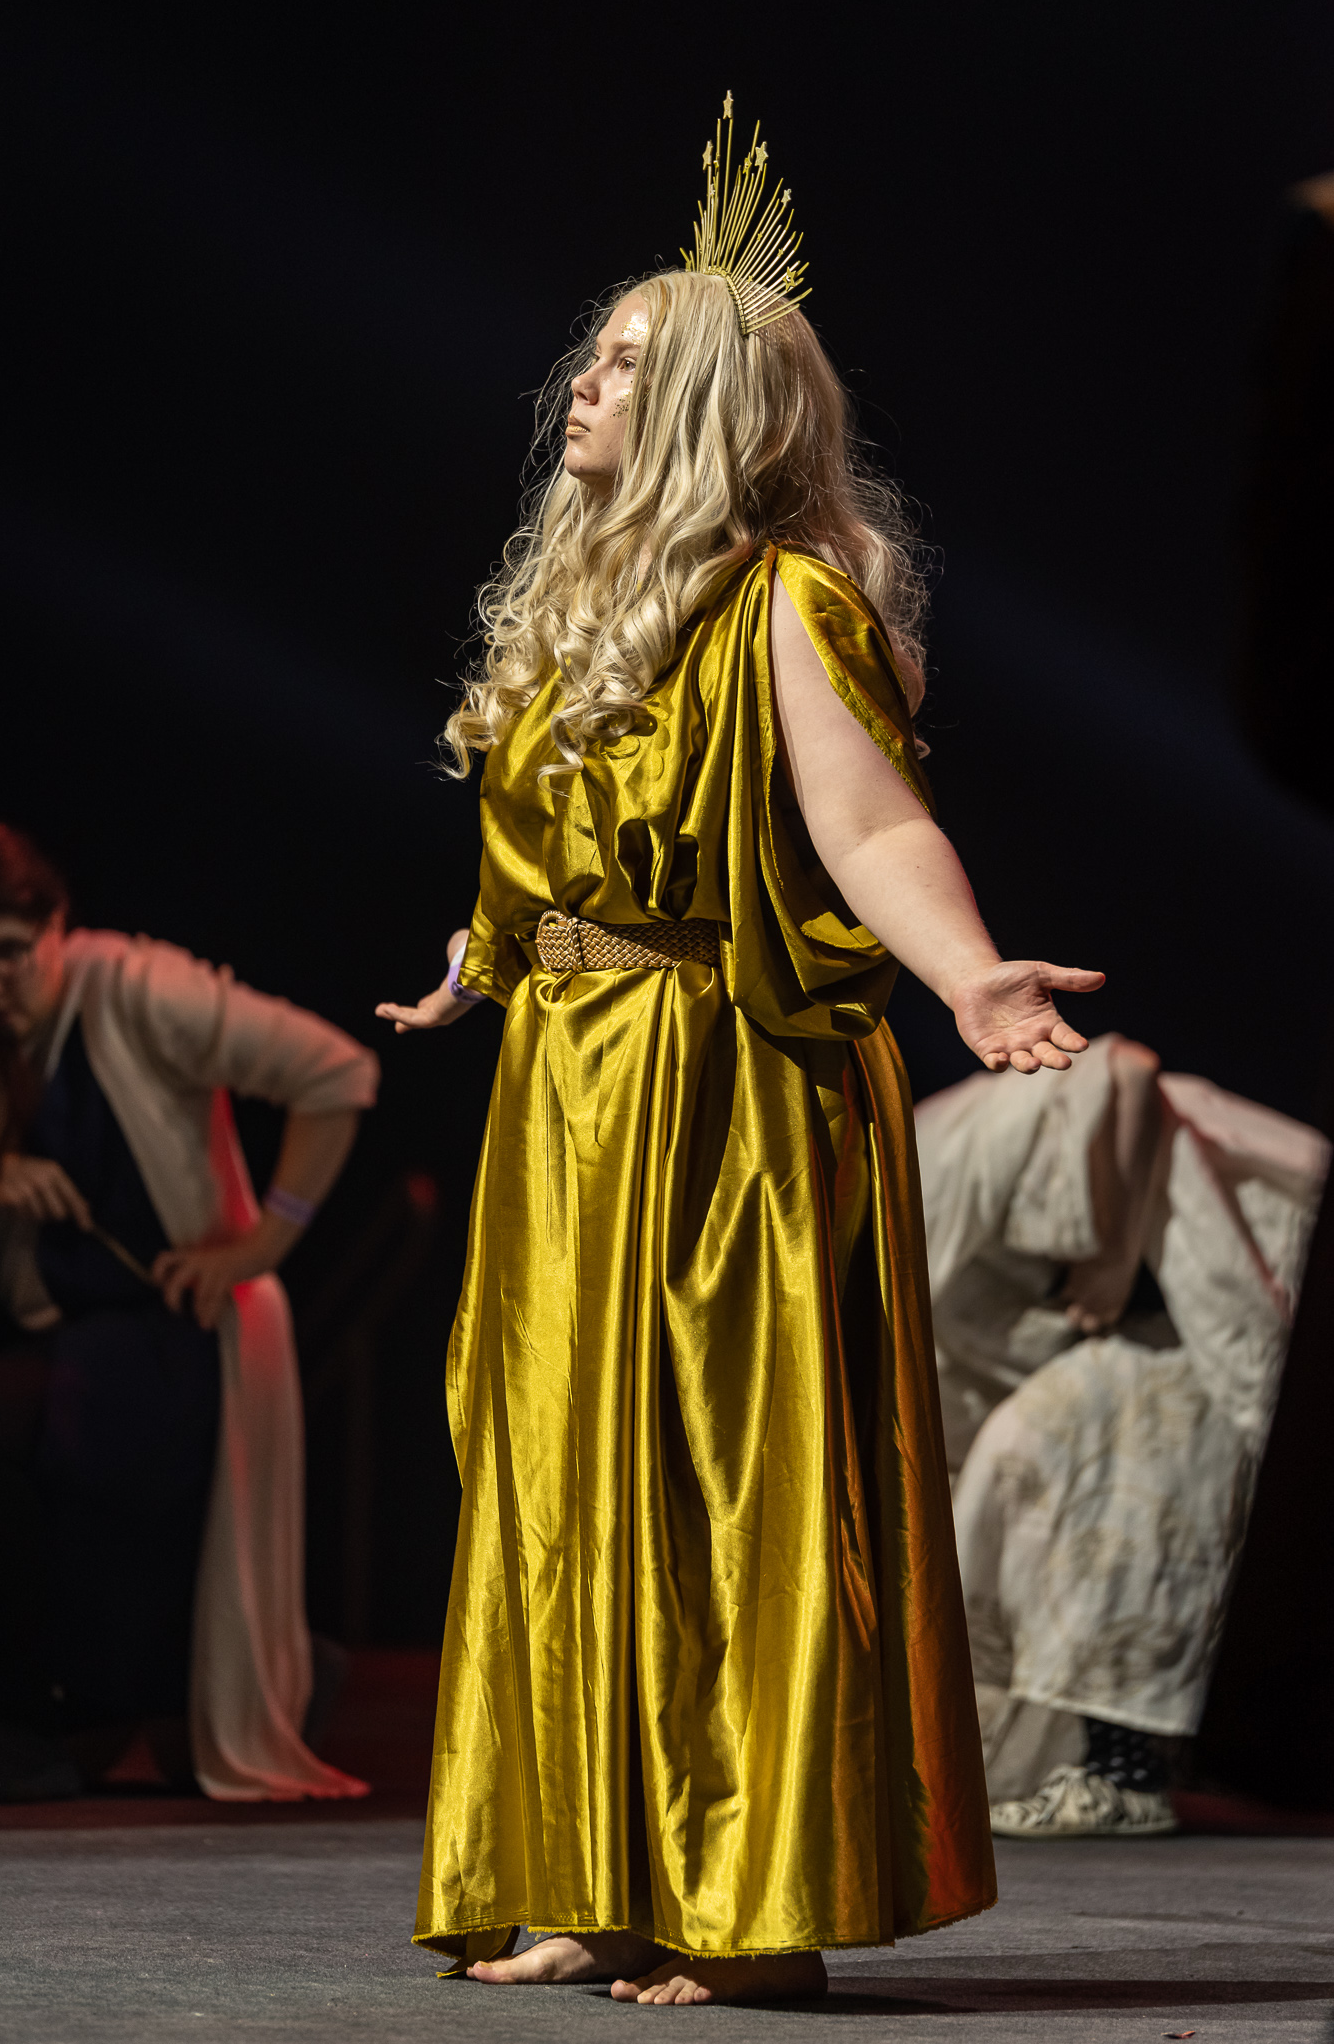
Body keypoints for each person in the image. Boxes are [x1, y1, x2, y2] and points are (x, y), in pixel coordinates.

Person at [379, 100, 1102, 2006]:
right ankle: (587, 1868)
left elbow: (866, 828)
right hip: (570, 1089)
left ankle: (741, 1896)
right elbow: (549, 857)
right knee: (562, 1482)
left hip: (721, 1087)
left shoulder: (782, 600)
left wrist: (966, 977)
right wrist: (479, 964)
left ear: (709, 406)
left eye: (629, 363)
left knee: (720, 1482)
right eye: (593, 355)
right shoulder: (574, 612)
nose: (585, 384)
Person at [0, 822, 378, 1801]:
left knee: (76, 1428)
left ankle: (71, 1718)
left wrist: (261, 1243)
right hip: (69, 1336)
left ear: (55, 927)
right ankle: (50, 1715)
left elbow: (335, 1072)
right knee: (17, 1422)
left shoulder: (137, 989)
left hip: (183, 1326)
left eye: (8, 954)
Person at [915, 1033, 1328, 1836]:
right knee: (1033, 1454)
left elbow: (1129, 1069)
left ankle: (1124, 1770)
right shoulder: (919, 1177)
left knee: (1080, 1456)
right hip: (1171, 1312)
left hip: (1236, 1274)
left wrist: (1108, 1250)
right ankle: (1110, 1762)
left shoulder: (938, 1151)